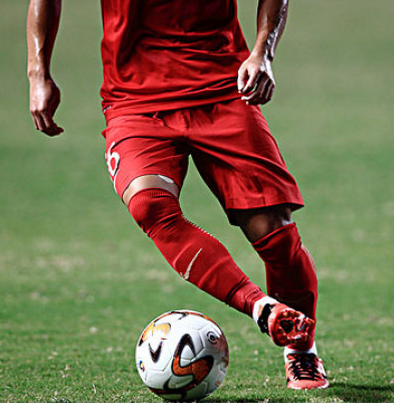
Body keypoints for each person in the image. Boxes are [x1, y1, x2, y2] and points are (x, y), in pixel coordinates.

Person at [27, 0, 329, 390]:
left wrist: (262, 52)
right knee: (149, 206)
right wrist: (38, 73)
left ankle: (301, 350)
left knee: (274, 232)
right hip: (136, 100)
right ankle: (260, 306)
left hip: (223, 88)